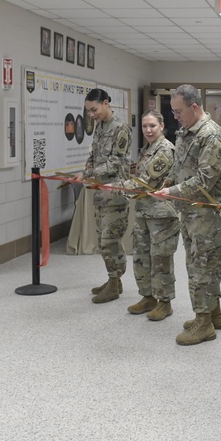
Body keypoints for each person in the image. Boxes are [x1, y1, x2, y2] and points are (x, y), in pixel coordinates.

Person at [151, 84, 221, 346]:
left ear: (194, 107)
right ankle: (214, 314)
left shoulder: (213, 136)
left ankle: (204, 323)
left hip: (207, 216)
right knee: (197, 266)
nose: (174, 117)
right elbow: (180, 167)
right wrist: (166, 182)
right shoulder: (186, 132)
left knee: (202, 269)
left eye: (178, 111)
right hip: (189, 213)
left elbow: (204, 180)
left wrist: (173, 190)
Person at [117, 109, 179, 321]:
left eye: (152, 125)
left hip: (161, 214)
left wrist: (116, 187)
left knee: (160, 259)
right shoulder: (147, 149)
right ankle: (148, 296)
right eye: (145, 126)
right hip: (144, 211)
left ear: (162, 126)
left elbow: (144, 181)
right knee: (142, 257)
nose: (148, 130)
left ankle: (164, 302)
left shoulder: (164, 150)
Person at [73, 88, 131, 304]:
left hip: (115, 193)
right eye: (88, 111)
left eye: (94, 110)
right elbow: (94, 153)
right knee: (102, 239)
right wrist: (88, 164)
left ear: (106, 103)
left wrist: (88, 173)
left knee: (110, 240)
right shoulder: (100, 127)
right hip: (100, 191)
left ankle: (115, 283)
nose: (91, 115)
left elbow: (116, 161)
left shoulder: (121, 128)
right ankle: (113, 279)